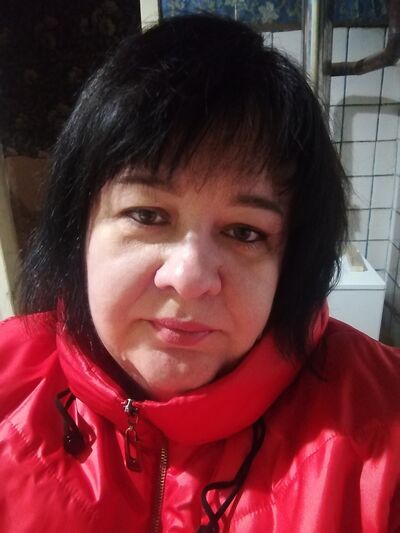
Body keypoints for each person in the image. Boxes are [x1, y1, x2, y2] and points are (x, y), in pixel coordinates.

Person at [0, 13, 399, 533]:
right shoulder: (10, 388)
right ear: (80, 227)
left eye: (244, 232)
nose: (189, 279)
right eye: (148, 215)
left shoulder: (383, 427)